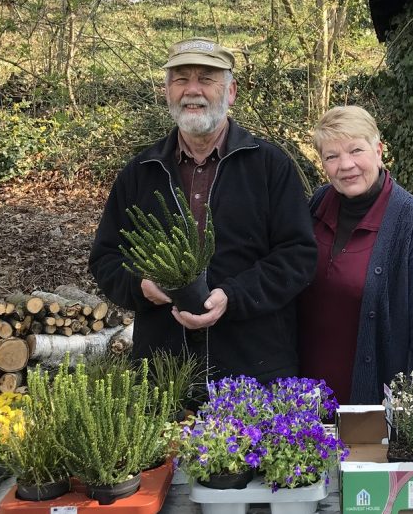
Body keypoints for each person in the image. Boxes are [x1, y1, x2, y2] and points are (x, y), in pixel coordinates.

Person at [89, 37, 316, 383]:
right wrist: (141, 286)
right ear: (167, 91)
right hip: (163, 370)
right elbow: (106, 257)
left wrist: (233, 296)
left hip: (252, 367)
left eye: (206, 79)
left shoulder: (270, 167)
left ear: (230, 92)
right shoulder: (142, 172)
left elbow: (298, 255)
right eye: (181, 79)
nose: (192, 90)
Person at [298, 105, 413, 404]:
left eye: (356, 150)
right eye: (332, 156)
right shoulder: (318, 205)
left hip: (367, 397)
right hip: (307, 395)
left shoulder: (412, 220)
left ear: (379, 150)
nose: (346, 165)